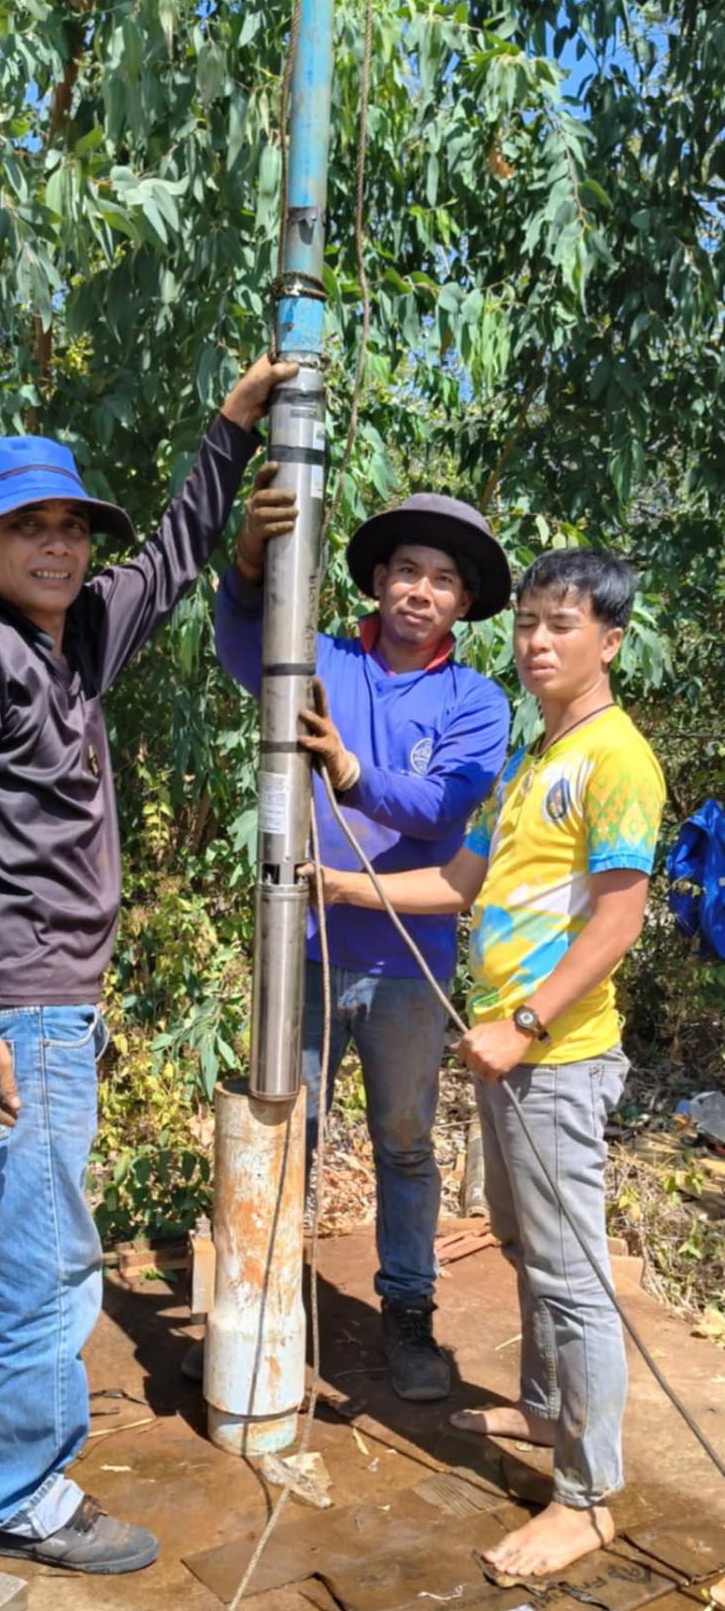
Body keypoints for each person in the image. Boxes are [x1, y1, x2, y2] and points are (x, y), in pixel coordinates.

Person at [0, 353, 296, 1574]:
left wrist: (229, 427)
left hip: (49, 1000)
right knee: (46, 1262)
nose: (58, 545)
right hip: (17, 1004)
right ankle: (28, 1496)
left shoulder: (72, 640)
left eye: (71, 525)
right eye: (27, 526)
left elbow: (172, 558)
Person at [313, 548, 666, 1575]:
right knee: (521, 1239)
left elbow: (619, 920)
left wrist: (524, 1021)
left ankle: (587, 1496)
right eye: (527, 624)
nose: (538, 643)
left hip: (554, 1055)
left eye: (563, 625)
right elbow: (460, 880)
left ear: (609, 641)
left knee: (572, 1274)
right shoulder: (535, 759)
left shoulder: (615, 760)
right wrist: (343, 884)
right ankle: (547, 1408)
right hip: (515, 1056)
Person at [212, 479, 511, 1399]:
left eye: (442, 580)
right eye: (406, 570)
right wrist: (249, 560)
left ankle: (409, 1314)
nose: (421, 591)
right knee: (284, 1129)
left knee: (405, 1142)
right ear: (378, 579)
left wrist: (347, 769)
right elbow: (240, 643)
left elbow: (441, 805)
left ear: (464, 602)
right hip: (299, 948)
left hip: (407, 966)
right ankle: (263, 1308)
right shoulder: (322, 660)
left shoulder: (477, 702)